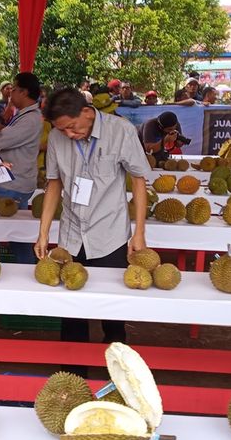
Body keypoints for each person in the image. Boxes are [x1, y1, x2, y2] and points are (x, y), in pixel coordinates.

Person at [34, 87, 149, 352]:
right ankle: (74, 373)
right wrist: (43, 233)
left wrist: (139, 232)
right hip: (71, 235)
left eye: (73, 128)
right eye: (62, 130)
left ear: (87, 112)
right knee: (71, 310)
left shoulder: (121, 131)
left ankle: (117, 365)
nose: (69, 135)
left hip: (109, 233)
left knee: (112, 309)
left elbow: (139, 180)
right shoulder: (56, 138)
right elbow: (54, 184)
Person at [0, 72, 44, 264]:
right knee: (17, 234)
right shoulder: (25, 115)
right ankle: (25, 270)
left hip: (14, 182)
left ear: (24, 92)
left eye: (13, 89)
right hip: (15, 180)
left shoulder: (30, 119)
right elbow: (3, 130)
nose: (10, 93)